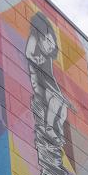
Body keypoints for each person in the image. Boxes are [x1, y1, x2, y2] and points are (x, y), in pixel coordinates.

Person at [26, 12, 72, 145]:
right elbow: (28, 53)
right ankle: (49, 127)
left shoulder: (49, 58)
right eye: (47, 40)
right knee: (56, 99)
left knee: (63, 106)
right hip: (39, 83)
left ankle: (58, 128)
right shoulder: (35, 38)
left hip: (48, 84)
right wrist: (35, 59)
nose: (51, 45)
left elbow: (51, 79)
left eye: (52, 43)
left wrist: (61, 95)